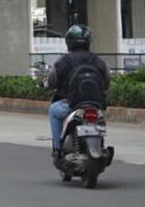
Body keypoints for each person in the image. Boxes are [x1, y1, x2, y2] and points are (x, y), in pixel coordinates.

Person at [46, 24, 110, 159]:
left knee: (53, 110)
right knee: (100, 119)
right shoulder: (98, 61)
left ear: (69, 42)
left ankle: (58, 149)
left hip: (71, 105)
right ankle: (101, 145)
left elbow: (52, 82)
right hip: (96, 105)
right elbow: (106, 83)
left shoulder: (63, 62)